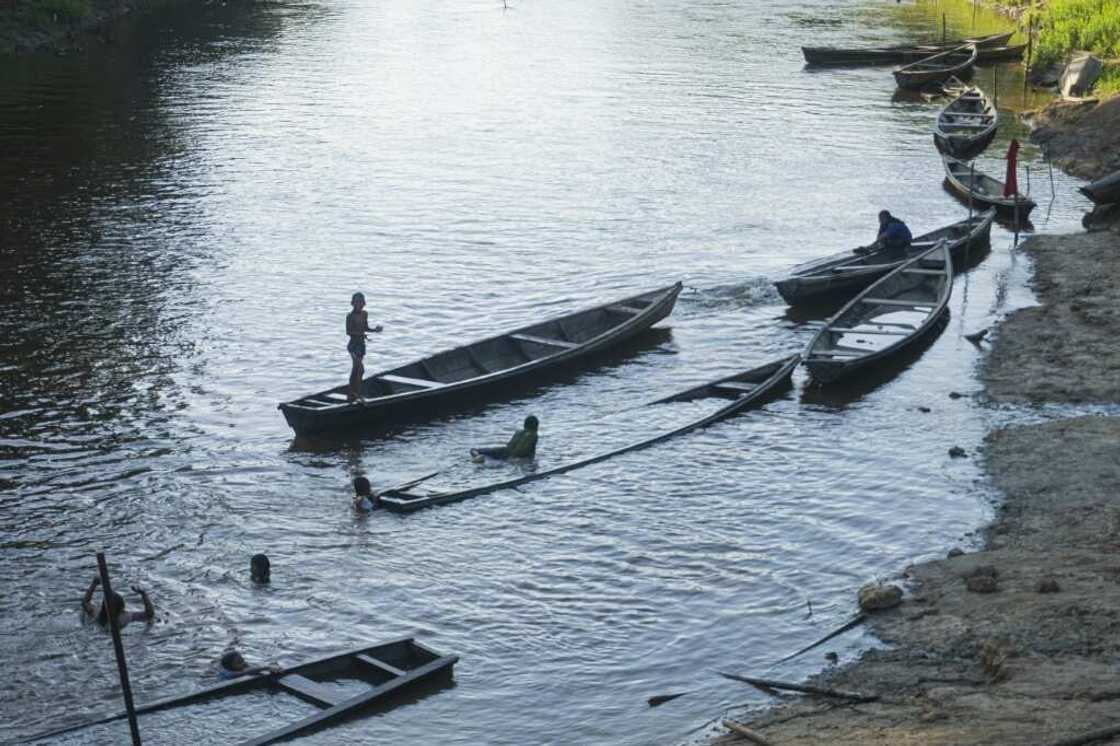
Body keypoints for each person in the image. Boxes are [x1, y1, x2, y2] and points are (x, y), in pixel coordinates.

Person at [346, 292, 383, 402]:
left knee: (357, 370)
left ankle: (353, 393)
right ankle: (354, 393)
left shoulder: (365, 314)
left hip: (361, 345)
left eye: (361, 302)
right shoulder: (350, 316)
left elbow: (365, 327)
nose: (360, 304)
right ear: (353, 303)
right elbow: (349, 332)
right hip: (353, 346)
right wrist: (361, 334)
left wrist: (375, 330)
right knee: (360, 369)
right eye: (357, 302)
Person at [82, 577, 155, 629]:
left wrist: (94, 584)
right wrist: (143, 594)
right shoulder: (126, 617)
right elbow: (149, 614)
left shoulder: (97, 614)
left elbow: (85, 603)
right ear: (122, 606)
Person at [471, 415, 539, 462]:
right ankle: (483, 460)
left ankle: (478, 456)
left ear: (525, 424)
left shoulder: (519, 432)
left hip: (504, 451)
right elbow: (521, 452)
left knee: (475, 450)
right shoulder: (533, 435)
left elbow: (509, 445)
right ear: (536, 426)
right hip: (514, 458)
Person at [218, 650, 282, 679]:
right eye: (239, 662)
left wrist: (271, 666)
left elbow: (251, 669)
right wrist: (266, 667)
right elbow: (243, 673)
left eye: (243, 660)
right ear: (229, 667)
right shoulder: (229, 674)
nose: (244, 663)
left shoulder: (240, 667)